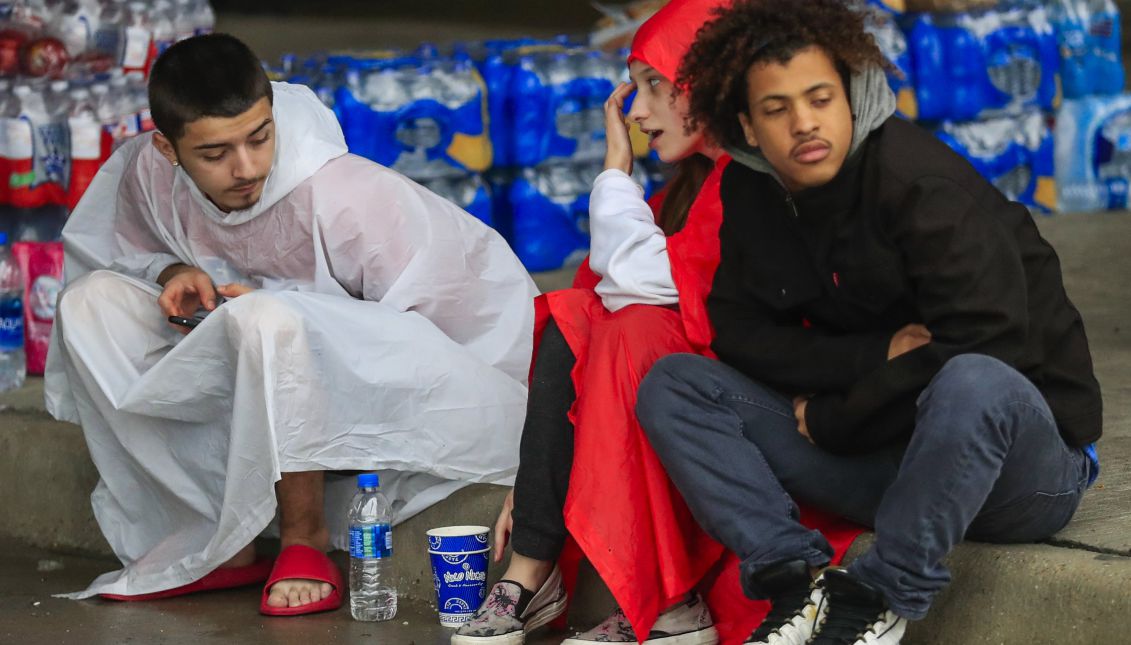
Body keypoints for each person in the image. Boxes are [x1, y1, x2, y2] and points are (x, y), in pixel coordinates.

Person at [636, 1, 1103, 643]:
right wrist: (876, 354)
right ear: (746, 124)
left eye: (820, 98)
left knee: (974, 379)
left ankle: (876, 600)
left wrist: (838, 415)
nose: (804, 124)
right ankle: (792, 582)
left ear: (850, 95)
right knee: (678, 384)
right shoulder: (754, 190)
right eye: (777, 109)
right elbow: (737, 331)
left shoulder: (920, 185)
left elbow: (995, 349)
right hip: (882, 463)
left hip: (1018, 475)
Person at [44, 34, 538, 616]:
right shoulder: (145, 173)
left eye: (259, 137)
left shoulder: (341, 192)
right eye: (215, 153)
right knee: (87, 304)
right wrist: (175, 270)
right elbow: (119, 247)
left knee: (267, 316)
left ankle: (305, 539)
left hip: (405, 381)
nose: (246, 167)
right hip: (250, 365)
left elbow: (454, 314)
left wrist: (297, 318)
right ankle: (215, 536)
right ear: (167, 149)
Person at [452, 2, 859, 644]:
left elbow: (647, 284)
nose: (637, 112)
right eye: (633, 89)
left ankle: (666, 599)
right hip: (714, 407)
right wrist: (540, 478)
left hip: (789, 423)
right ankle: (537, 564)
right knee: (577, 313)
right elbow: (594, 298)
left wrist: (615, 172)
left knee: (633, 327)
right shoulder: (687, 190)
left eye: (654, 86)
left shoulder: (755, 183)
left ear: (702, 87)